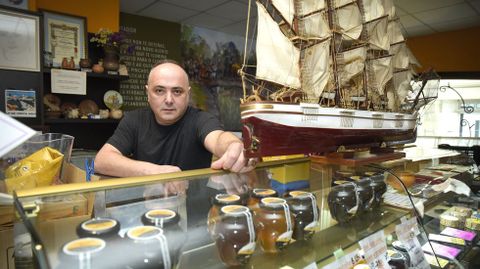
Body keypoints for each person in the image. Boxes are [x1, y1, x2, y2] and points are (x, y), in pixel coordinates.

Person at [94, 60, 255, 181]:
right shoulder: (134, 120)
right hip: (146, 210)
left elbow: (219, 138)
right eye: (159, 90)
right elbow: (102, 160)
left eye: (177, 91)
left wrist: (234, 146)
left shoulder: (201, 120)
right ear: (148, 93)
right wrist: (153, 172)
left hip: (194, 214)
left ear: (188, 94)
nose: (169, 99)